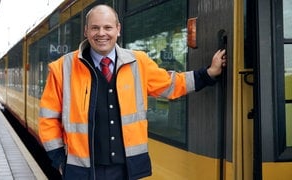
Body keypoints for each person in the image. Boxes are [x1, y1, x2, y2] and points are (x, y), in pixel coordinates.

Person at [38, 4, 227, 180]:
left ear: (118, 29)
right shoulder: (63, 68)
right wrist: (58, 160)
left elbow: (171, 84)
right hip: (82, 170)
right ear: (86, 31)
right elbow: (48, 118)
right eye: (95, 28)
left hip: (126, 170)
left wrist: (208, 73)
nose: (101, 33)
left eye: (107, 27)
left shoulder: (139, 62)